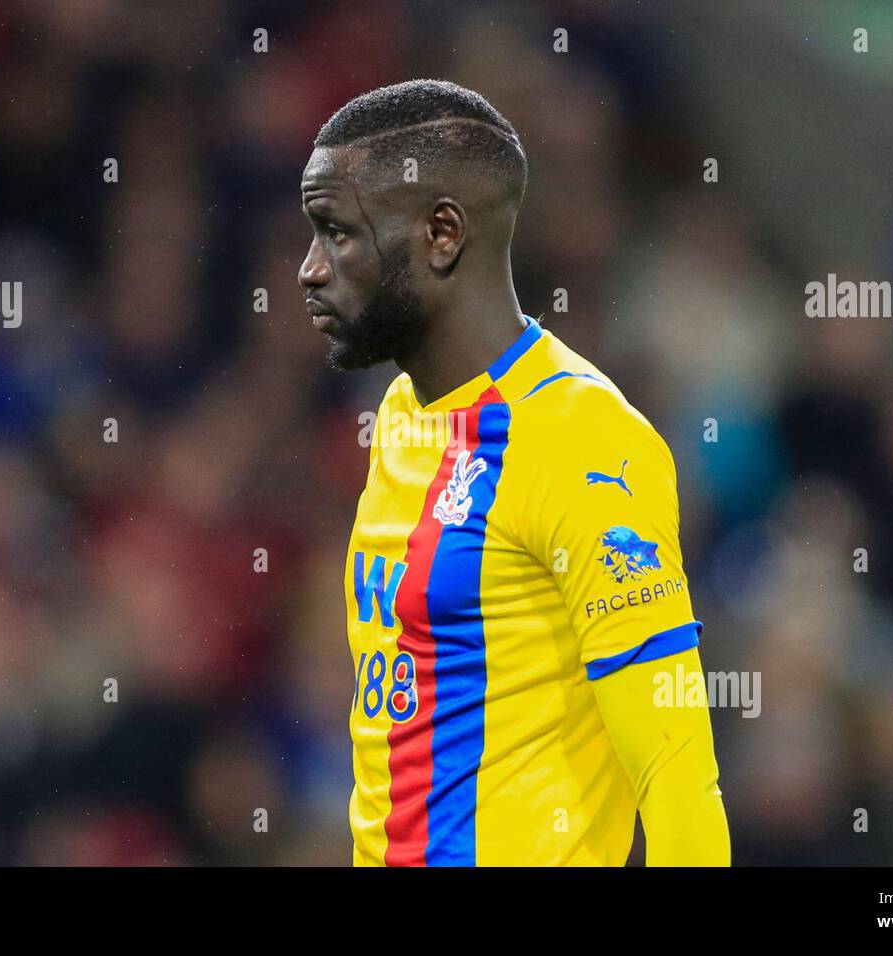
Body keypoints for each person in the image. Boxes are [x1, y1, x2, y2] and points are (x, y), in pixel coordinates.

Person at [298, 79, 729, 866]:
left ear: (441, 233)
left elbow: (677, 776)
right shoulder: (398, 416)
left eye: (336, 233)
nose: (311, 269)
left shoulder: (581, 439)